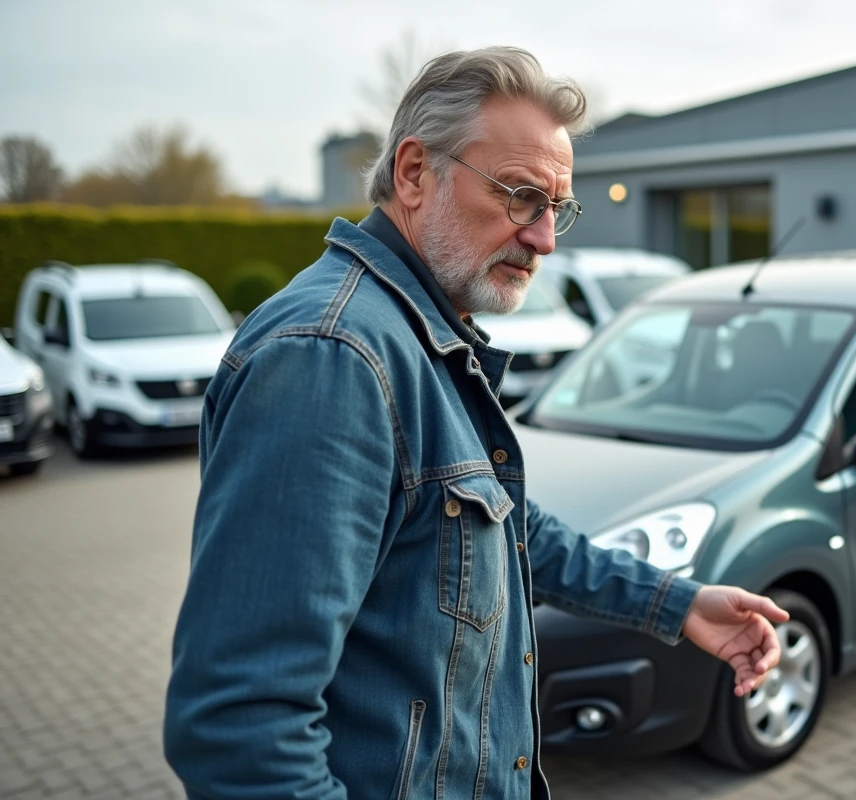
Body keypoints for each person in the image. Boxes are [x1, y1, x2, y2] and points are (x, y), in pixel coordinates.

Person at [163, 46, 789, 800]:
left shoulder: (420, 334)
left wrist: (678, 604)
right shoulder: (333, 360)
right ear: (415, 173)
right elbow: (241, 733)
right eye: (521, 197)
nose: (545, 239)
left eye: (556, 209)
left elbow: (508, 529)